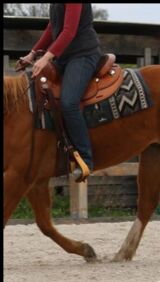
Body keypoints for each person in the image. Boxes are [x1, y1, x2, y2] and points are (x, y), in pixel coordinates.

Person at [20, 4, 101, 180]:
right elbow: (53, 27)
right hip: (64, 57)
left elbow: (69, 31)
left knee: (69, 103)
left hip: (83, 55)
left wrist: (46, 58)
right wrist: (32, 53)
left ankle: (86, 159)